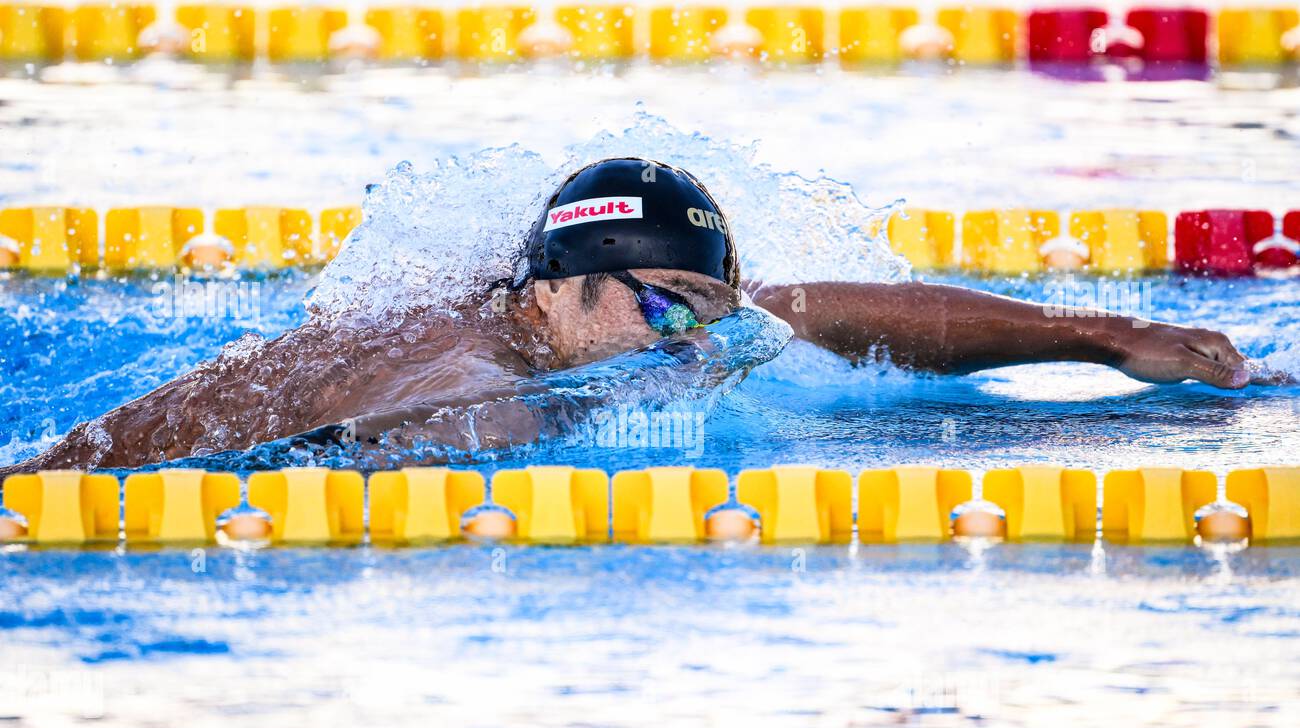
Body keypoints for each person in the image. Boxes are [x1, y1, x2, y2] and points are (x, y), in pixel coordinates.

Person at [4, 157, 1255, 475]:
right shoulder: (466, 370)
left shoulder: (595, 319)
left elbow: (822, 311)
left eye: (707, 305)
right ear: (555, 287)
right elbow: (414, 460)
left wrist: (1095, 336)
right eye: (666, 305)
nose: (696, 338)